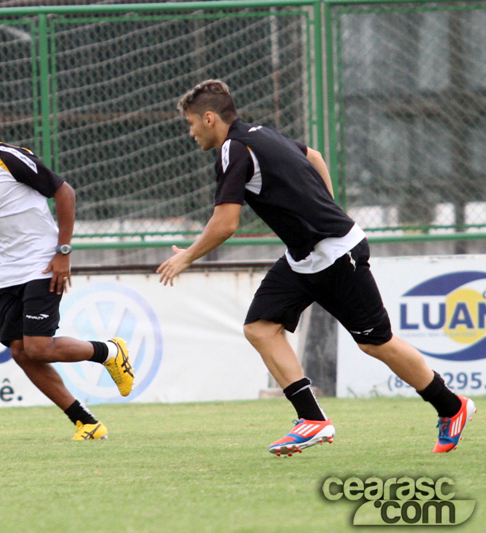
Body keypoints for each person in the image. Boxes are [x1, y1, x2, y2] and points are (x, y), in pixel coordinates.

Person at [157, 79, 476, 456]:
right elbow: (315, 156)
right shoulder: (260, 134)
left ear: (209, 118)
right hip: (306, 256)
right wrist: (324, 206)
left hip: (335, 254)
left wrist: (187, 256)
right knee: (260, 328)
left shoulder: (234, 149)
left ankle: (452, 406)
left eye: (191, 123)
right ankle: (312, 419)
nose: (191, 132)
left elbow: (226, 223)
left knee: (376, 342)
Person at [0, 97, 134, 441]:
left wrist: (63, 251)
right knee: (19, 350)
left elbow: (64, 192)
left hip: (43, 263)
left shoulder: (9, 159)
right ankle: (86, 422)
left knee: (39, 347)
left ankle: (109, 351)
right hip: (8, 274)